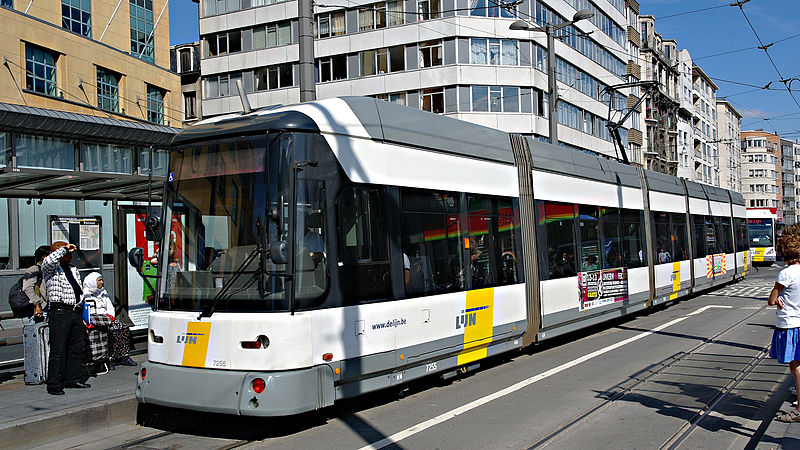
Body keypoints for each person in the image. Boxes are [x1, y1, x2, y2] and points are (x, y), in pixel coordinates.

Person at [42, 242, 90, 395]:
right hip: (60, 311)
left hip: (75, 310)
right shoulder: (51, 269)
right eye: (65, 254)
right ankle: (54, 384)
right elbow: (49, 261)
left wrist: (82, 307)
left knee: (76, 347)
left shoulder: (73, 269)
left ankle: (73, 378)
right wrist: (63, 249)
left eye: (69, 254)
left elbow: (79, 289)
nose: (68, 256)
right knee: (58, 349)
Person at [769, 233, 800, 422]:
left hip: (790, 324)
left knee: (795, 365)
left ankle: (799, 409)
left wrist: (778, 299)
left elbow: (771, 300)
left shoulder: (786, 273)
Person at [82, 272, 136, 369]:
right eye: (99, 280)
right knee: (107, 332)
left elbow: (110, 307)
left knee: (123, 328)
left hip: (106, 319)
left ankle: (123, 356)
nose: (102, 282)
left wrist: (110, 318)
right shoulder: (85, 295)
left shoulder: (103, 292)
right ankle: (107, 358)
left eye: (102, 280)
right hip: (95, 321)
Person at [23, 245, 51, 322]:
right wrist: (37, 305)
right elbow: (28, 288)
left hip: (50, 306)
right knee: (38, 330)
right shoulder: (34, 270)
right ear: (44, 257)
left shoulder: (50, 269)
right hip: (40, 307)